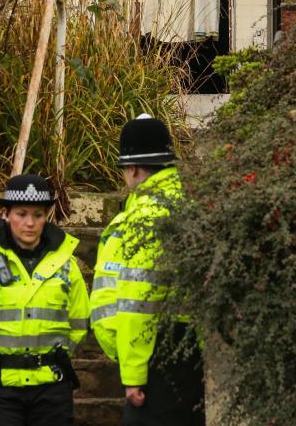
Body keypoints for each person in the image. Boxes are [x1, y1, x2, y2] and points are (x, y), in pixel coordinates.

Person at [90, 114, 205, 426]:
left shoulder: (146, 216)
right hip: (187, 351)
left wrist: (134, 374)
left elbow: (139, 303)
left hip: (156, 357)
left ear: (133, 168)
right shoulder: (185, 206)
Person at [0, 174, 89, 426]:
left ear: (46, 216)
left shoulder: (66, 267)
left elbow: (79, 323)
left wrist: (54, 356)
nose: (30, 223)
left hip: (51, 388)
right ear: (6, 214)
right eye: (22, 214)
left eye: (38, 215)